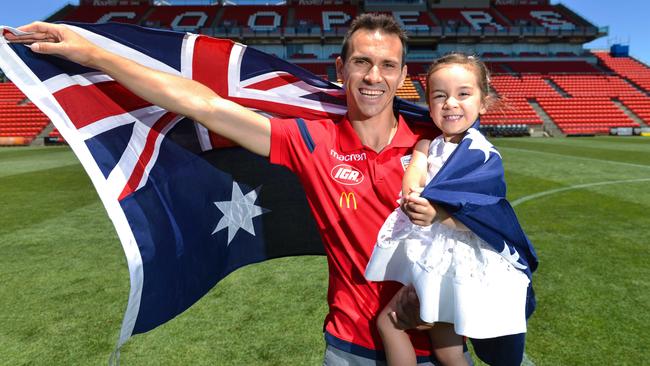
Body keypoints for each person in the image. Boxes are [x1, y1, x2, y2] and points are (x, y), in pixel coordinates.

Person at [7, 14, 469, 365]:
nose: (374, 77)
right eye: (362, 62)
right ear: (341, 67)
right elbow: (205, 105)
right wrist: (93, 54)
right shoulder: (311, 140)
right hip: (353, 343)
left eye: (387, 65)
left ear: (403, 73)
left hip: (444, 336)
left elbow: (487, 227)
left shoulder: (444, 140)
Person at [365, 53, 532, 366]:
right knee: (446, 350)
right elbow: (413, 174)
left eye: (463, 94)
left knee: (390, 322)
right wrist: (413, 195)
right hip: (436, 256)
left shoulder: (482, 155)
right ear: (429, 104)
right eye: (439, 96)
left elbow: (486, 217)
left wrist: (438, 215)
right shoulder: (429, 144)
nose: (450, 103)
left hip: (457, 265)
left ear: (484, 102)